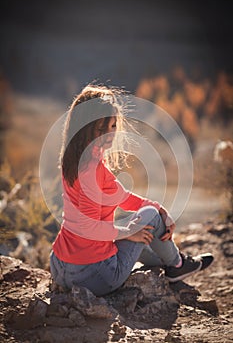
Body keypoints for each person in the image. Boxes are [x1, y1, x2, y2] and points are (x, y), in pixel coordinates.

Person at [50, 84, 213, 296]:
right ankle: (177, 265)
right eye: (102, 128)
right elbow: (88, 227)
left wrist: (161, 208)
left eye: (113, 126)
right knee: (150, 219)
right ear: (85, 127)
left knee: (147, 221)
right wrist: (129, 231)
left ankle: (171, 261)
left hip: (60, 267)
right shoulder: (91, 169)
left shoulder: (73, 159)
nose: (109, 134)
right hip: (93, 276)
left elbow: (124, 199)